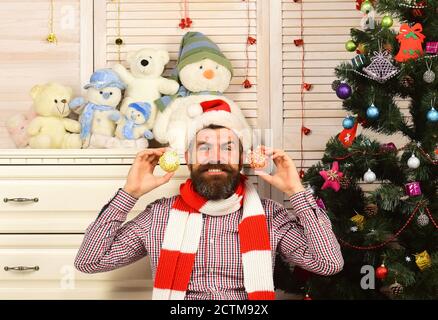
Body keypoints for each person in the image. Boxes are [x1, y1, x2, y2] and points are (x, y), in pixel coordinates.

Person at [75, 119, 344, 300]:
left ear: (242, 160)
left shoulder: (270, 216)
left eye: (227, 148)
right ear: (188, 159)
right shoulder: (158, 215)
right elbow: (89, 262)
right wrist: (129, 193)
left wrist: (296, 193)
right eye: (204, 148)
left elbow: (328, 263)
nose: (216, 156)